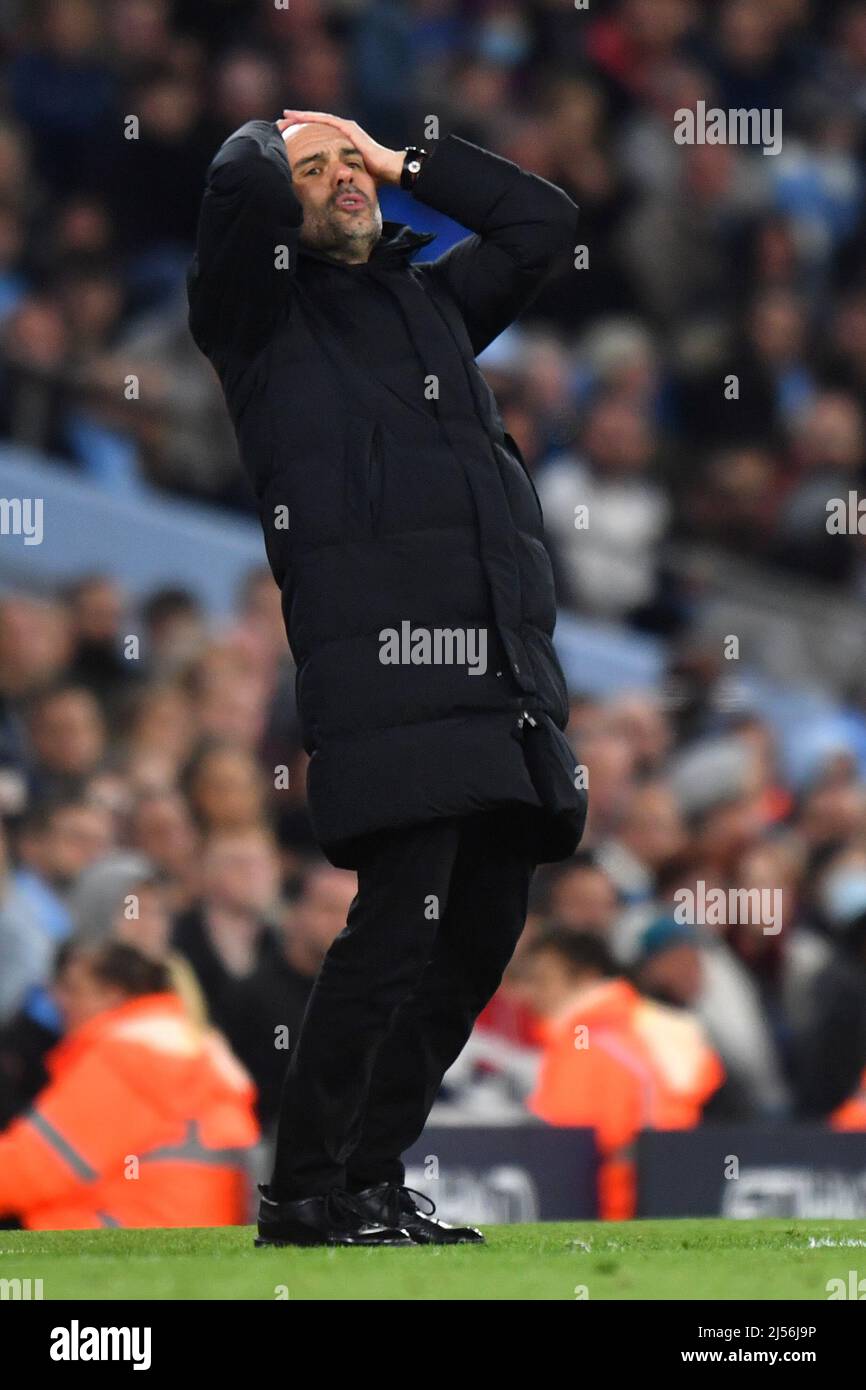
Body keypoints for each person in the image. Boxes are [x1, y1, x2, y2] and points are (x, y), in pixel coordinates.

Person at [188, 107, 586, 1247]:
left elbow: (542, 224)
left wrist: (400, 152)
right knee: (396, 933)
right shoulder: (257, 318)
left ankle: (365, 1176)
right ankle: (303, 1191)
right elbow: (239, 198)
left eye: (346, 166)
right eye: (311, 175)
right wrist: (280, 147)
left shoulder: (431, 306)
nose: (339, 182)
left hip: (500, 672)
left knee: (472, 941)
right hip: (389, 681)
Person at [0, 940, 259, 1230]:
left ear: (112, 995)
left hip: (125, 1237)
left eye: (74, 989)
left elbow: (28, 1169)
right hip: (180, 1235)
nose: (58, 1001)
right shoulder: (181, 1043)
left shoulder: (129, 1056)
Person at [523, 929, 723, 1220]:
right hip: (676, 1192)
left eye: (543, 981)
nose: (531, 994)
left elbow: (567, 1146)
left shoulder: (589, 1041)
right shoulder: (642, 1023)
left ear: (586, 977)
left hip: (620, 1209)